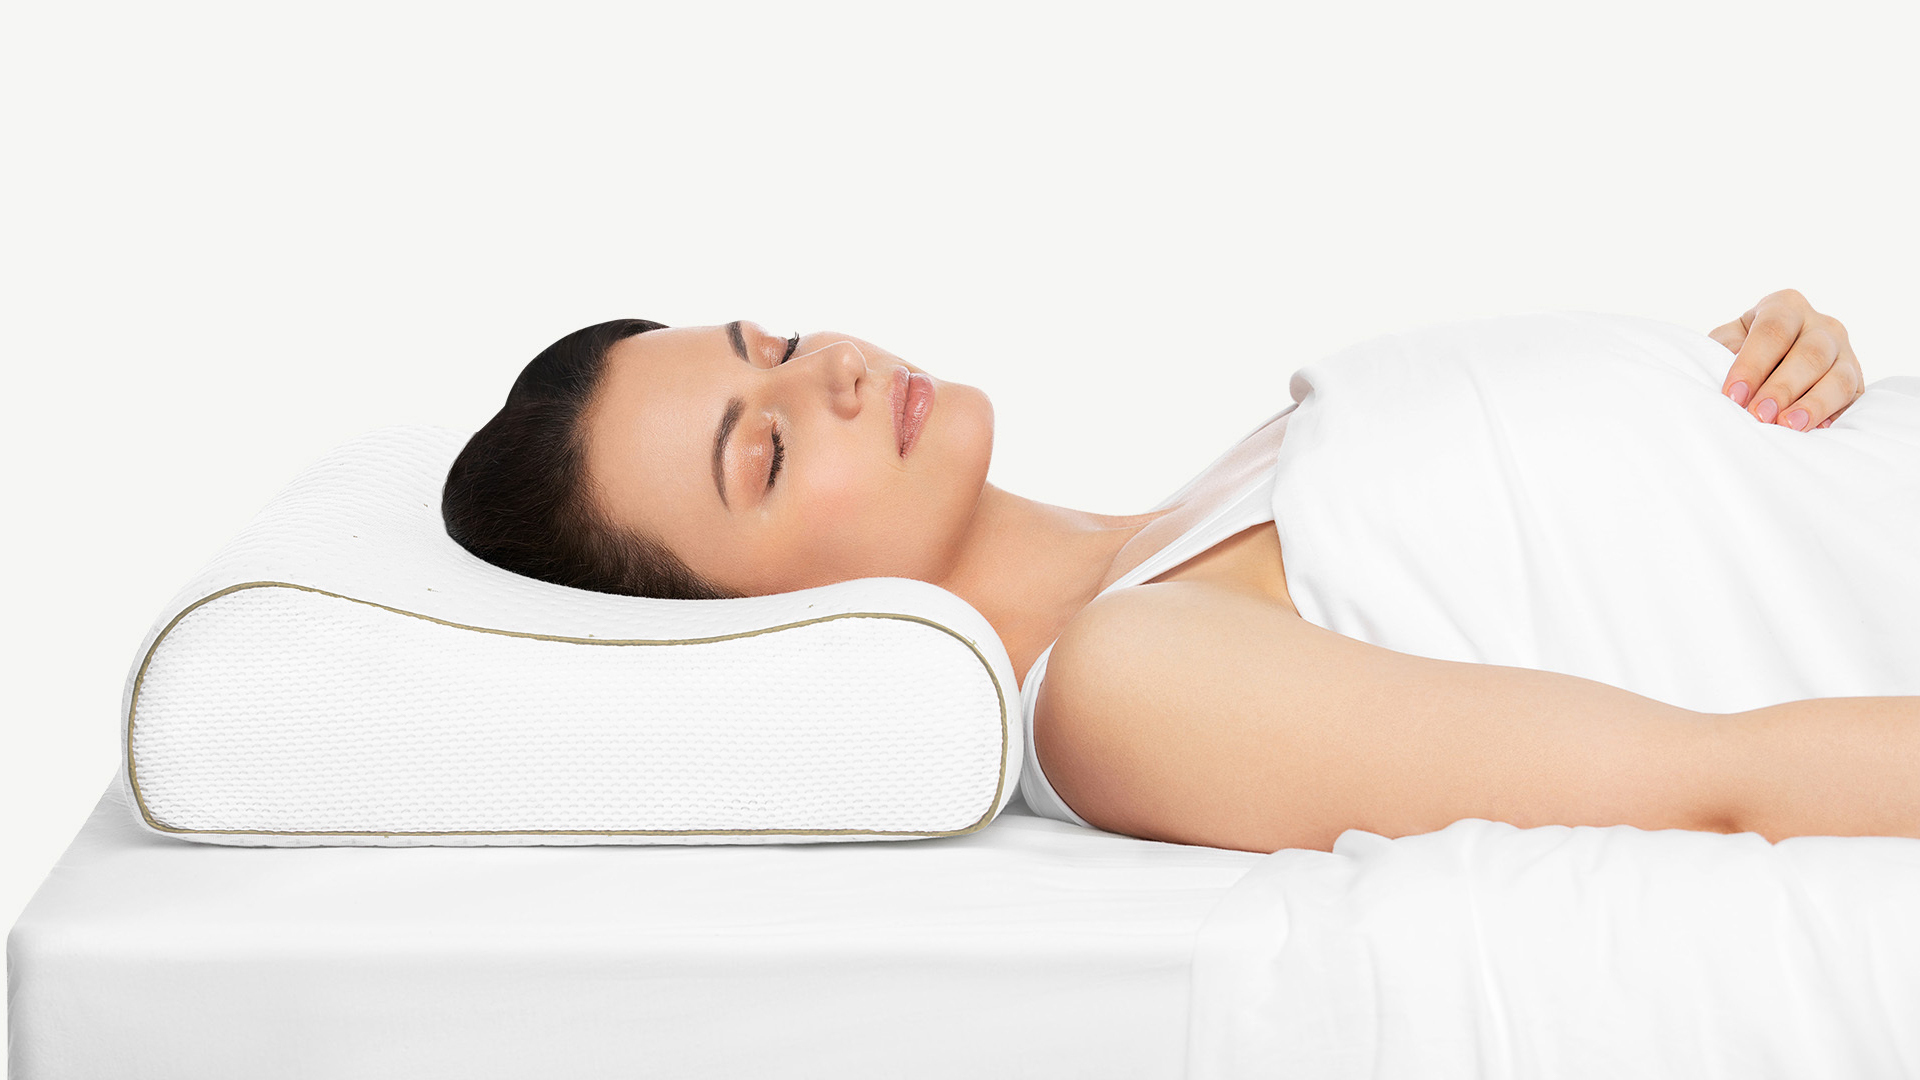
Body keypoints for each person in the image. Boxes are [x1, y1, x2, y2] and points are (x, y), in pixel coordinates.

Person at [442, 290, 1920, 854]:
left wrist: (1767, 371)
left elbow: (1654, 546)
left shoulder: (1213, 499)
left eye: (771, 343)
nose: (826, 368)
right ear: (761, 631)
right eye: (762, 454)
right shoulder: (1126, 681)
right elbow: (1712, 782)